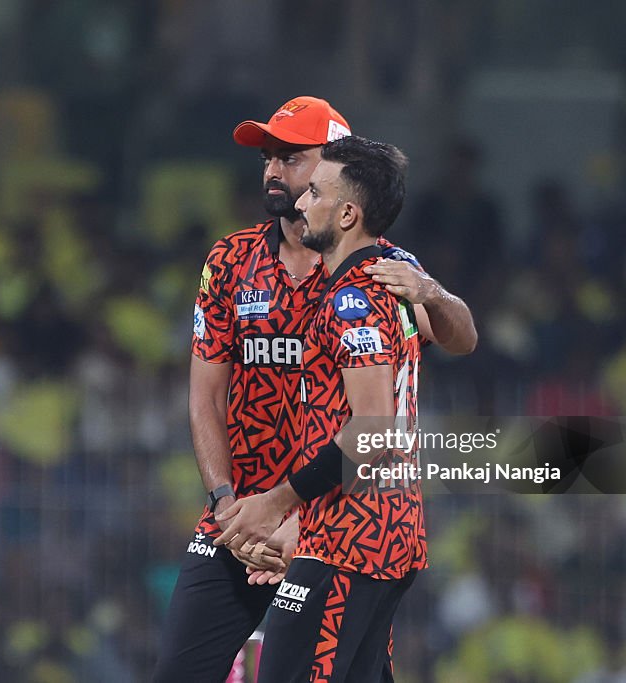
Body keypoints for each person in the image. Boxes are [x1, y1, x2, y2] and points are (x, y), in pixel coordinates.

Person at [152, 97, 475, 682]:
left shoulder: (376, 272)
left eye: (291, 158)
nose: (274, 171)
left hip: (328, 519)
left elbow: (455, 342)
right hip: (241, 518)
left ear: (336, 171)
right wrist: (231, 508)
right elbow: (205, 396)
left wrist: (431, 292)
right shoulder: (229, 261)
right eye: (268, 157)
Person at [215, 136, 426, 680]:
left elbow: (373, 430)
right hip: (354, 531)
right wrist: (302, 523)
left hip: (353, 541)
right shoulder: (374, 285)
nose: (302, 203)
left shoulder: (353, 299)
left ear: (349, 212)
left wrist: (276, 503)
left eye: (314, 192)